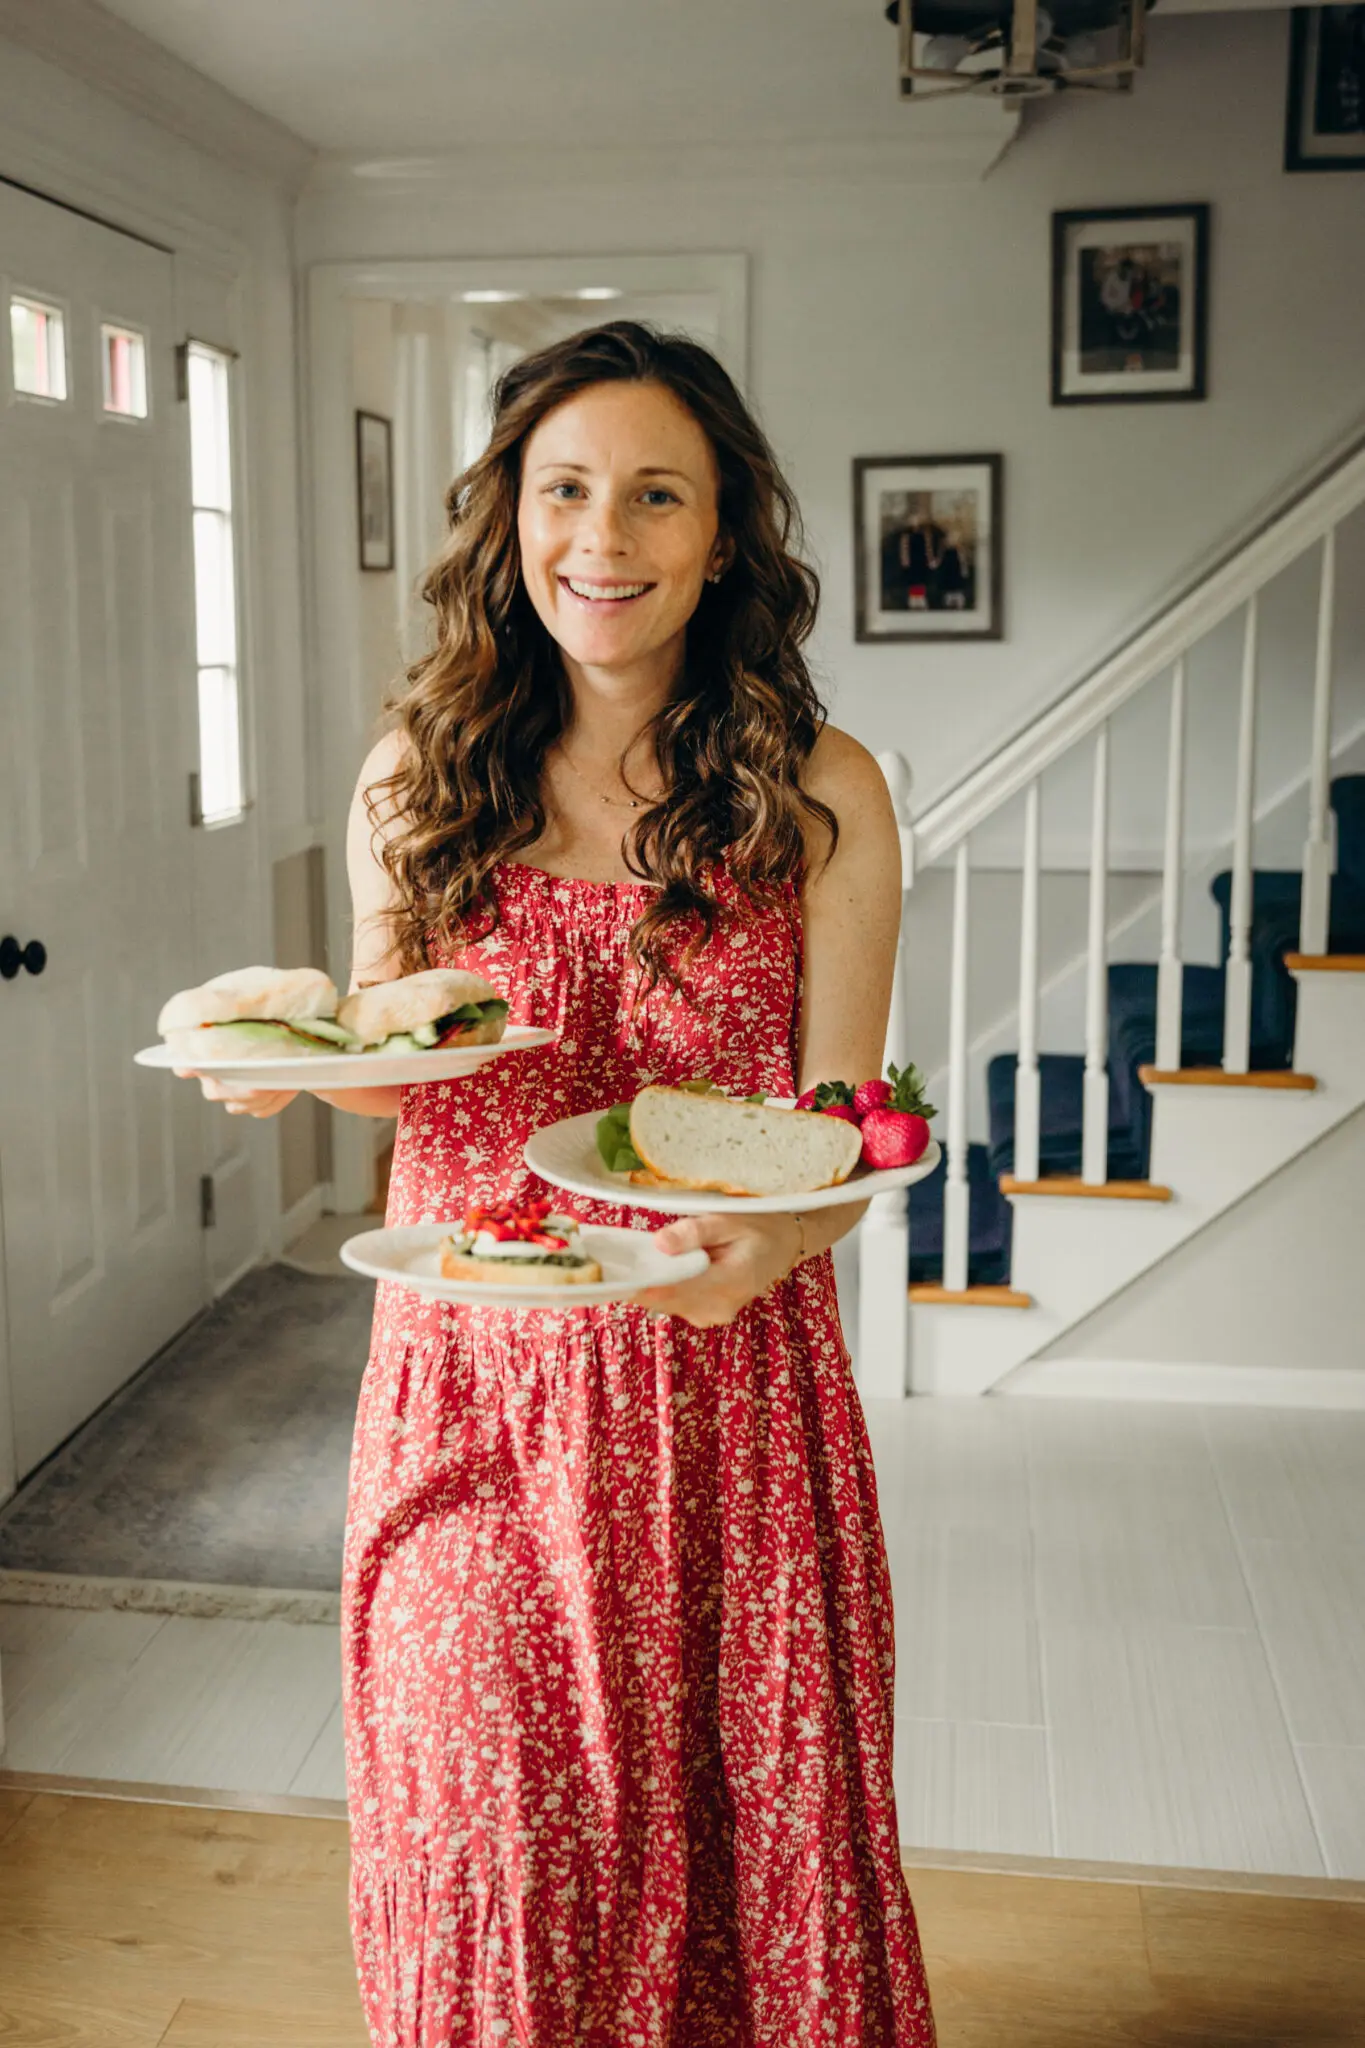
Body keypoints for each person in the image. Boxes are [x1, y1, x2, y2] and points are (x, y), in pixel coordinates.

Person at [188, 321, 937, 2046]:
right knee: (492, 1833)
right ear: (509, 520)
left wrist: (767, 1252)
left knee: (746, 1869)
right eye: (566, 489)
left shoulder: (824, 795)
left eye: (655, 495)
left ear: (724, 532)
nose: (604, 537)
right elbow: (394, 1056)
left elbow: (832, 1140)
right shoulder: (419, 776)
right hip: (475, 1387)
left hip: (730, 1401)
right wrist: (292, 1065)